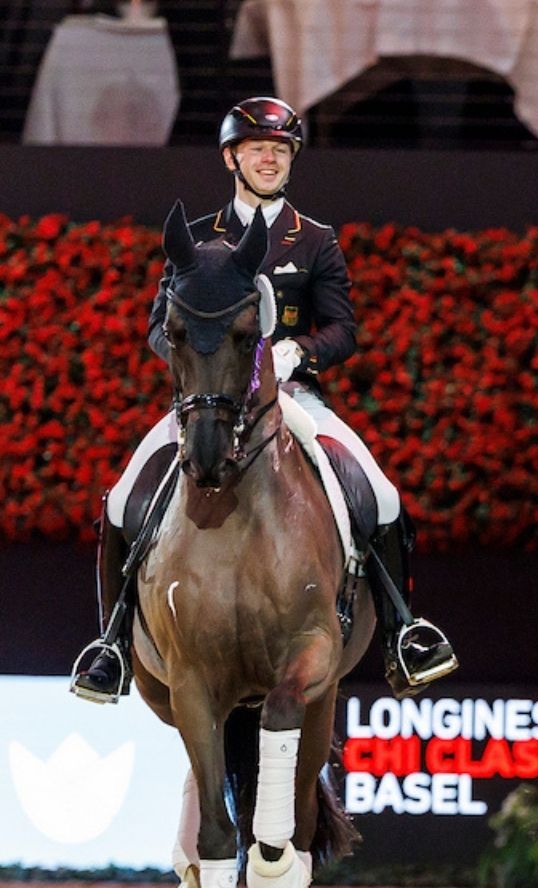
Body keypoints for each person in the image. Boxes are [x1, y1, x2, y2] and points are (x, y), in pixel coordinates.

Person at [71, 95, 457, 702]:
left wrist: (298, 351)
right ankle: (112, 644)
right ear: (233, 158)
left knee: (380, 493)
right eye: (257, 150)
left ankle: (402, 633)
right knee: (122, 500)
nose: (270, 160)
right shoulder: (196, 239)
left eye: (279, 150)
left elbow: (343, 329)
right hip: (209, 398)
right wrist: (199, 361)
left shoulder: (316, 240)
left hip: (293, 394)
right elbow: (157, 326)